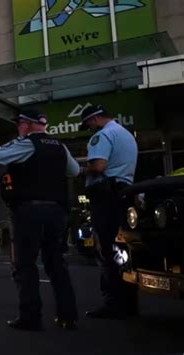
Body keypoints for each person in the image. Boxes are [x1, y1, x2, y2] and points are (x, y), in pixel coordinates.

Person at [0, 109, 79, 331]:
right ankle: (68, 315)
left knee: (25, 264)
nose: (19, 128)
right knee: (57, 264)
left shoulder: (27, 144)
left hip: (29, 211)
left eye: (20, 124)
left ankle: (30, 316)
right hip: (57, 212)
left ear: (26, 124)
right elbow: (73, 171)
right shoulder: (59, 146)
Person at [79, 104, 139, 319]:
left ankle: (112, 302)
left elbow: (99, 166)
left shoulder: (102, 136)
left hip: (106, 196)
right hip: (124, 194)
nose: (88, 128)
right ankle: (130, 302)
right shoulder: (125, 134)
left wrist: (81, 169)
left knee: (106, 250)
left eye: (87, 124)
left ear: (94, 119)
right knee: (125, 250)